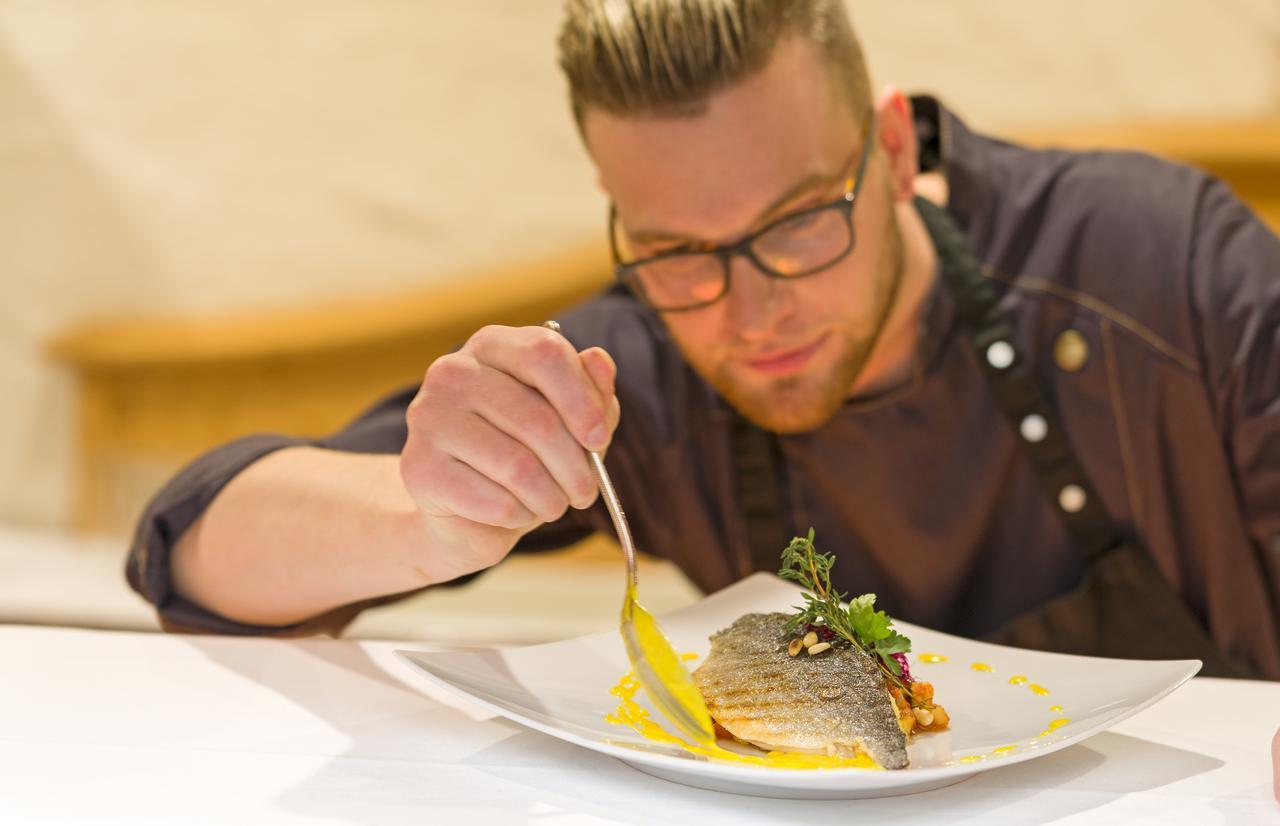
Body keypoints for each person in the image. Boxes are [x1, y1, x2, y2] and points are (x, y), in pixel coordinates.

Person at [127, 0, 1280, 687]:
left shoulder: (1156, 267)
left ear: (889, 150)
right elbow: (196, 547)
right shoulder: (635, 369)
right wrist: (420, 519)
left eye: (794, 225)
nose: (746, 310)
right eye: (676, 247)